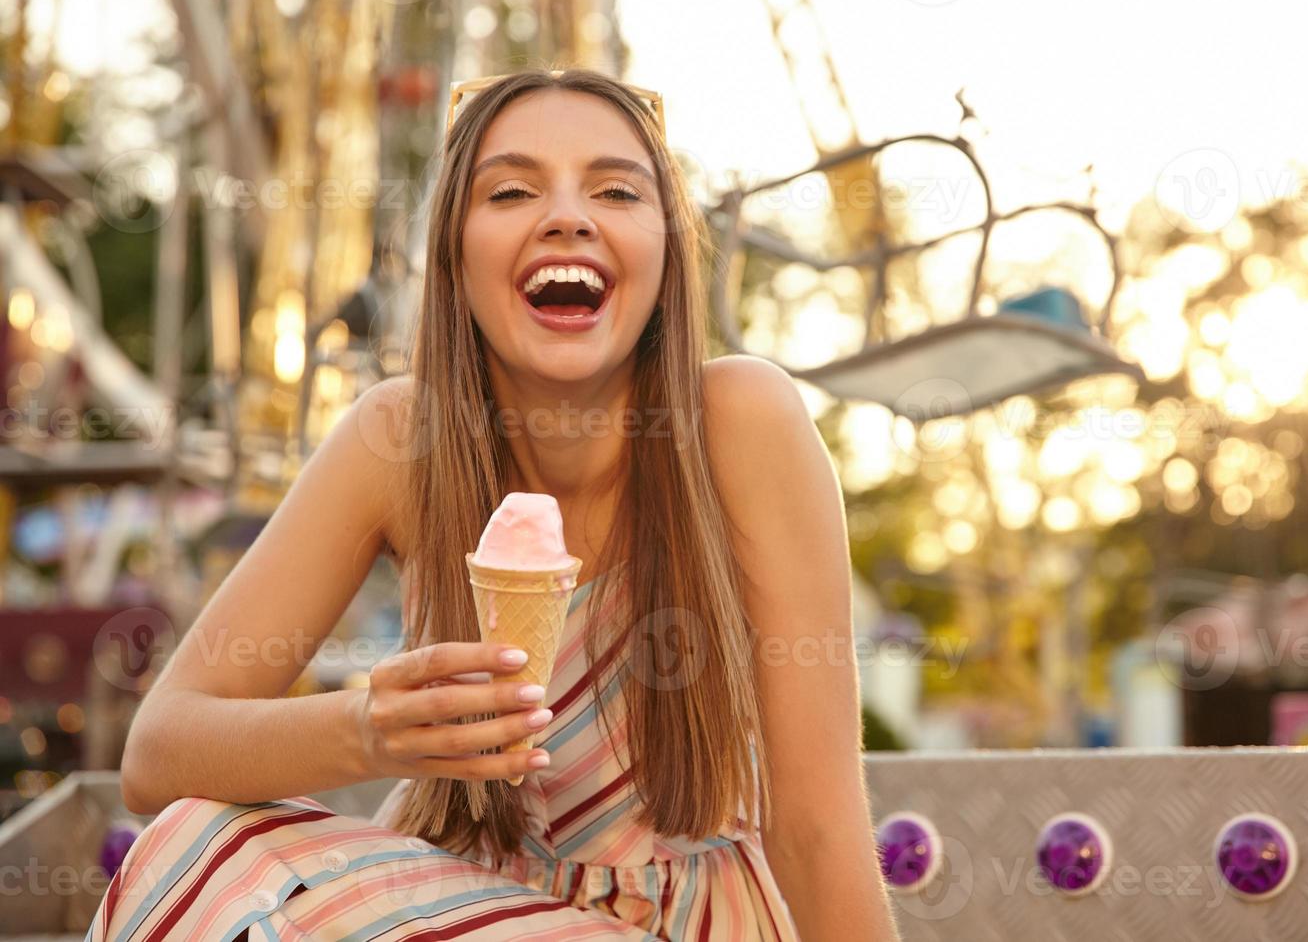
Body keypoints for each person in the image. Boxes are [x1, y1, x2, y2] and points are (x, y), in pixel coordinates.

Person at [88, 67, 900, 941]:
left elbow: (817, 830)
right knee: (189, 838)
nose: (566, 215)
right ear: (455, 254)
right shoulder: (399, 441)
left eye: (617, 190)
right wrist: (370, 730)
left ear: (665, 251)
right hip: (440, 904)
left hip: (684, 922)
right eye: (511, 190)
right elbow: (158, 751)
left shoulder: (740, 423)